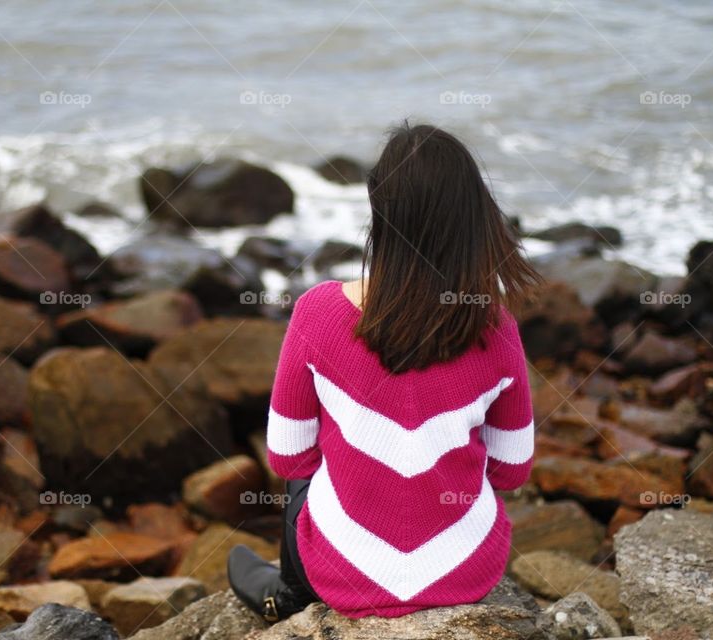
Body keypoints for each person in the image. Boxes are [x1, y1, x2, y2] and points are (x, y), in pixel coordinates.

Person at [227, 122, 540, 621]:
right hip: (465, 571)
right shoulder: (494, 324)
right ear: (474, 215)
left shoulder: (319, 312)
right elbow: (512, 469)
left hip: (342, 572)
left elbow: (288, 457)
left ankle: (286, 594)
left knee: (309, 471)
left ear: (377, 211)